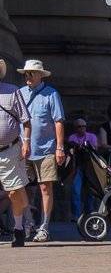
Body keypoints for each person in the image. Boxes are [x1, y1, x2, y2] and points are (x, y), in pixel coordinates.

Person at [20, 60, 64, 243]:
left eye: (31, 73)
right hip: (22, 149)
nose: (28, 76)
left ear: (40, 75)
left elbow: (58, 121)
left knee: (45, 187)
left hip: (46, 148)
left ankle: (44, 226)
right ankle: (28, 222)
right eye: (26, 73)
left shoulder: (51, 94)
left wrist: (60, 147)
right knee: (21, 188)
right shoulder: (20, 93)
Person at [0, 60, 32, 247]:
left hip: (10, 149)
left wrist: (26, 143)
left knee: (13, 192)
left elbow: (26, 121)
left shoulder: (13, 91)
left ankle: (18, 228)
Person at [66, 118, 100, 219]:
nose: (82, 129)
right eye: (79, 127)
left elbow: (95, 149)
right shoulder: (72, 137)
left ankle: (89, 214)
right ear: (75, 128)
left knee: (90, 191)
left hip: (90, 167)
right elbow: (73, 149)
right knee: (75, 190)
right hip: (78, 166)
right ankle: (76, 215)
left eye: (84, 126)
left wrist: (87, 146)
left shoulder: (91, 136)